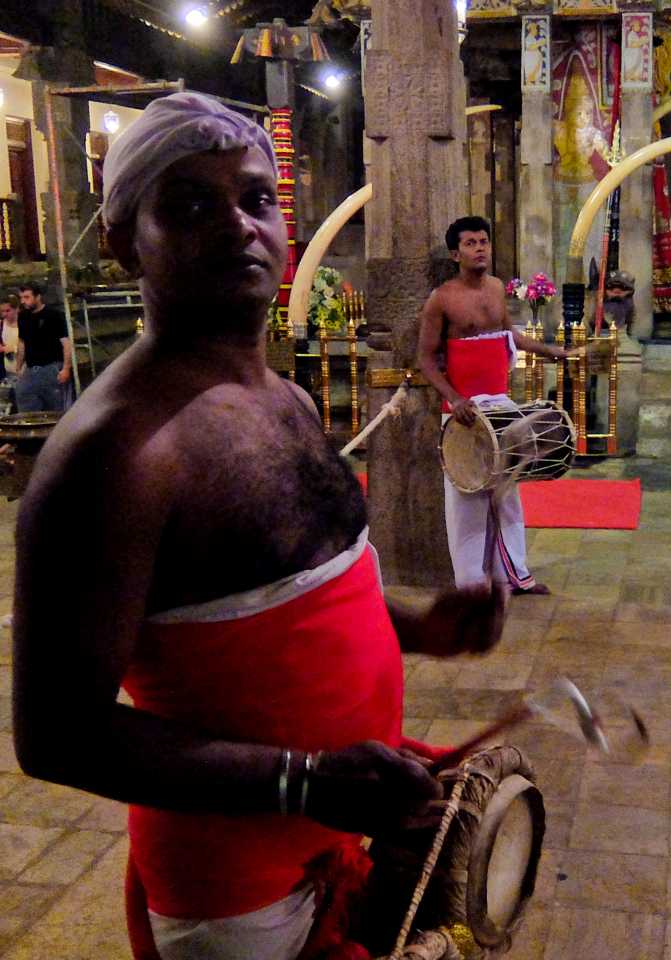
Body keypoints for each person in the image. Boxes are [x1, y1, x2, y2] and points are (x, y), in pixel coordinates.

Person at [11, 92, 505, 960]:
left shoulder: (287, 397)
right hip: (234, 896)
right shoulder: (114, 455)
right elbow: (57, 735)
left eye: (255, 198)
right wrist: (304, 779)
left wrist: (418, 626)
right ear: (127, 240)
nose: (239, 226)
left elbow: (299, 596)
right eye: (192, 205)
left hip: (334, 831)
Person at [417, 215, 572, 594]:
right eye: (470, 243)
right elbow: (424, 358)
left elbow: (508, 335)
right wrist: (454, 399)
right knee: (466, 499)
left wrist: (547, 349)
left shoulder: (498, 288)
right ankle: (471, 585)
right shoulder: (442, 299)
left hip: (501, 406)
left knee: (507, 495)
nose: (479, 248)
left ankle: (514, 576)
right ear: (456, 253)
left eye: (483, 241)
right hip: (464, 412)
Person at [14, 281, 71, 412]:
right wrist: (18, 367)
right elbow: (22, 342)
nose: (23, 301)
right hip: (30, 368)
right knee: (24, 397)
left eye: (27, 297)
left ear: (37, 297)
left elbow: (66, 343)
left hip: (51, 366)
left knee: (54, 407)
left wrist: (66, 368)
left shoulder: (53, 315)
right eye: (21, 298)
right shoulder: (23, 316)